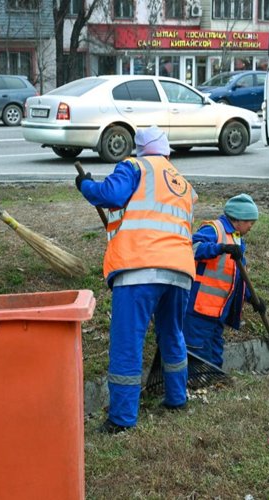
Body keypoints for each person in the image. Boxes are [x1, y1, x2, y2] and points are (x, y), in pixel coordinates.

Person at [76, 126, 197, 434]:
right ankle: (177, 398)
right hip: (180, 270)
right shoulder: (182, 183)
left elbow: (110, 195)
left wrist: (86, 185)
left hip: (139, 268)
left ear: (141, 150)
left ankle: (122, 418)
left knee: (127, 343)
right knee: (172, 335)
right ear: (167, 151)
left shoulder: (134, 167)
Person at [182, 194, 263, 369]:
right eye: (250, 222)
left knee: (214, 356)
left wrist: (252, 299)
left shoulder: (236, 238)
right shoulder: (214, 230)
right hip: (198, 309)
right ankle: (195, 387)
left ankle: (212, 386)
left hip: (218, 312)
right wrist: (220, 248)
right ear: (239, 219)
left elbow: (237, 275)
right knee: (197, 355)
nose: (251, 226)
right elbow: (190, 248)